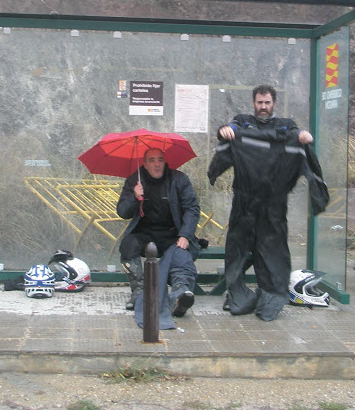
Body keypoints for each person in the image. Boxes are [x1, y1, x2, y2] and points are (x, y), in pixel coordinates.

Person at [212, 84, 322, 321]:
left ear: (274, 104)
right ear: (254, 103)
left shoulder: (286, 126)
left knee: (272, 251)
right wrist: (224, 130)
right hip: (244, 201)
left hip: (273, 205)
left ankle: (269, 297)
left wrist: (305, 137)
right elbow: (230, 128)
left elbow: (300, 135)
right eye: (260, 102)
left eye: (267, 103)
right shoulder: (243, 122)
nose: (263, 107)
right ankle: (236, 294)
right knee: (237, 249)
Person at [116, 148, 201, 318]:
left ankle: (180, 295)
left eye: (160, 159)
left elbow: (192, 208)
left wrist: (185, 235)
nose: (157, 164)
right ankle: (139, 292)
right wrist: (134, 197)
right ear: (145, 164)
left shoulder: (179, 179)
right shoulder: (134, 180)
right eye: (152, 160)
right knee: (128, 245)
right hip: (144, 234)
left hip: (173, 234)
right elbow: (122, 212)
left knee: (182, 254)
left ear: (165, 162)